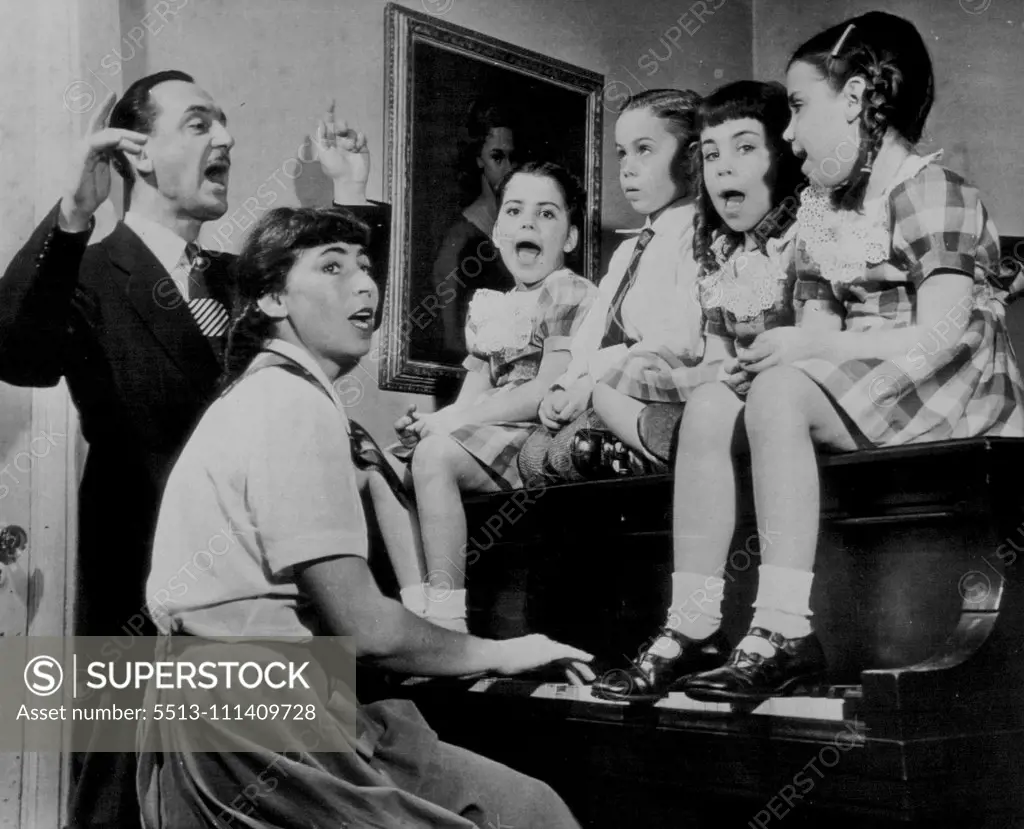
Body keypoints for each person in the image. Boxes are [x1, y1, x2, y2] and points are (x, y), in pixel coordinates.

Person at [602, 12, 1024, 705]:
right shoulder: (827, 210)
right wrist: (776, 354)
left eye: (798, 108)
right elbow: (815, 329)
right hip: (869, 380)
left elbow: (942, 335)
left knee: (777, 396)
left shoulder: (933, 189)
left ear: (856, 99)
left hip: (947, 382)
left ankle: (782, 627)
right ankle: (695, 619)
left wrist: (813, 351)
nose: (789, 133)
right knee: (712, 403)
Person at [0, 72, 386, 829]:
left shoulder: (238, 281)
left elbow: (341, 307)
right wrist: (75, 210)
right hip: (138, 590)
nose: (228, 140)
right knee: (119, 800)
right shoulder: (89, 267)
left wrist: (352, 195)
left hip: (264, 595)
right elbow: (15, 351)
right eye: (201, 123)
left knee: (289, 799)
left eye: (226, 123)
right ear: (138, 155)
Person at [137, 205, 594, 828]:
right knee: (531, 813)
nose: (364, 285)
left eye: (366, 267)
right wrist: (497, 650)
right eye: (331, 267)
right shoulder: (290, 404)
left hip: (232, 701)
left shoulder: (268, 392)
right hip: (255, 716)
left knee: (524, 804)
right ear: (273, 298)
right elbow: (367, 628)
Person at [391, 161, 598, 632]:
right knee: (380, 466)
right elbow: (474, 391)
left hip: (532, 433)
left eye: (546, 214)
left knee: (435, 457)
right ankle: (415, 606)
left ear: (569, 238)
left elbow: (544, 390)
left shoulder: (566, 291)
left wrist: (444, 431)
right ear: (498, 228)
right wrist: (435, 421)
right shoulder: (491, 305)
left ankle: (446, 618)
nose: (527, 223)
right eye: (515, 212)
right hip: (490, 426)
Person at [517, 89, 705, 484]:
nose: (628, 168)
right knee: (532, 456)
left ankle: (668, 457)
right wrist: (566, 384)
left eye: (645, 150)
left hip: (655, 386)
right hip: (603, 382)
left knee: (574, 450)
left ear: (691, 157)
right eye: (622, 153)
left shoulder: (696, 236)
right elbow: (592, 334)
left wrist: (594, 382)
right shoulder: (626, 252)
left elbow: (679, 339)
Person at [430, 98, 518, 362]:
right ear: (479, 158)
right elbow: (453, 338)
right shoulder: (460, 238)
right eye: (497, 157)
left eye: (513, 157)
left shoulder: (519, 229)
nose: (509, 168)